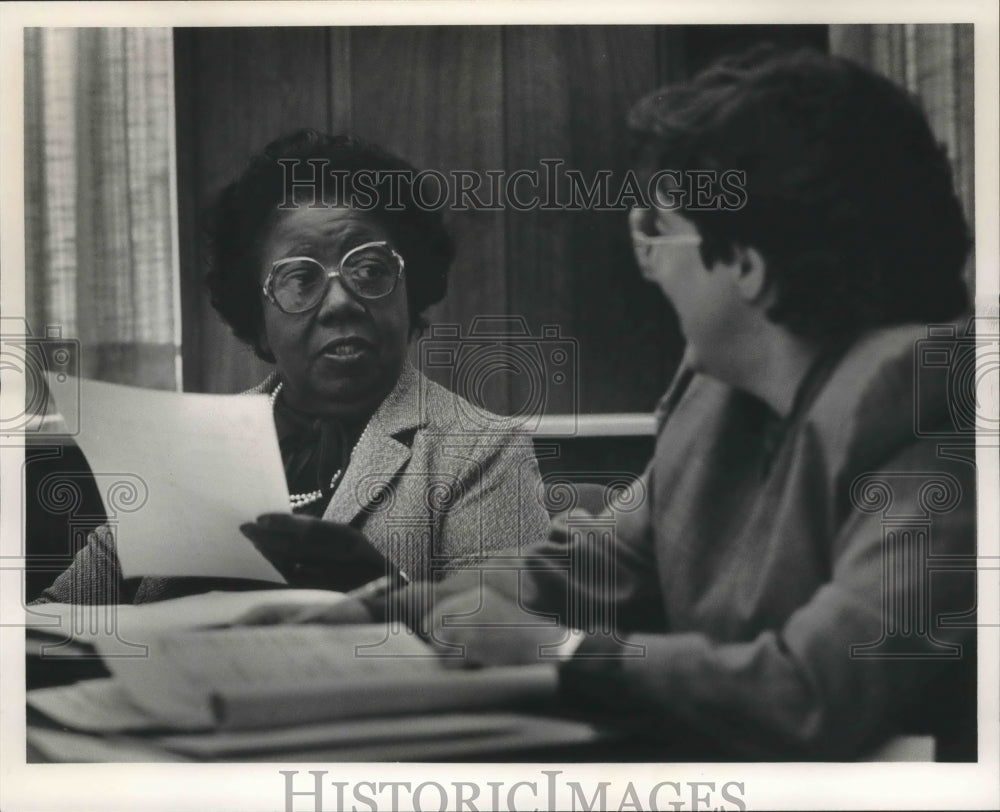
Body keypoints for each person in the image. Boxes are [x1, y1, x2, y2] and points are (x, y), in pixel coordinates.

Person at [247, 49, 978, 761]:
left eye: (655, 229)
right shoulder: (715, 395)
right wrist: (390, 605)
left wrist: (558, 650)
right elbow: (590, 570)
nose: (646, 263)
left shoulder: (931, 407)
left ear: (747, 267)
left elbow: (814, 692)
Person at [35, 130, 550, 604]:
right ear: (258, 318)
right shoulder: (185, 447)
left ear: (409, 292)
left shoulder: (480, 449)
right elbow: (53, 621)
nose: (340, 303)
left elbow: (508, 638)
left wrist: (385, 595)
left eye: (369, 269)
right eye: (301, 279)